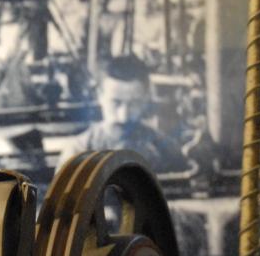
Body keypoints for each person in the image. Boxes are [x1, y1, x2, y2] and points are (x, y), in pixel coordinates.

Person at [59, 55, 189, 174]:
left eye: (134, 103)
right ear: (99, 96)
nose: (124, 116)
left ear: (146, 98)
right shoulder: (78, 152)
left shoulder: (167, 151)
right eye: (116, 103)